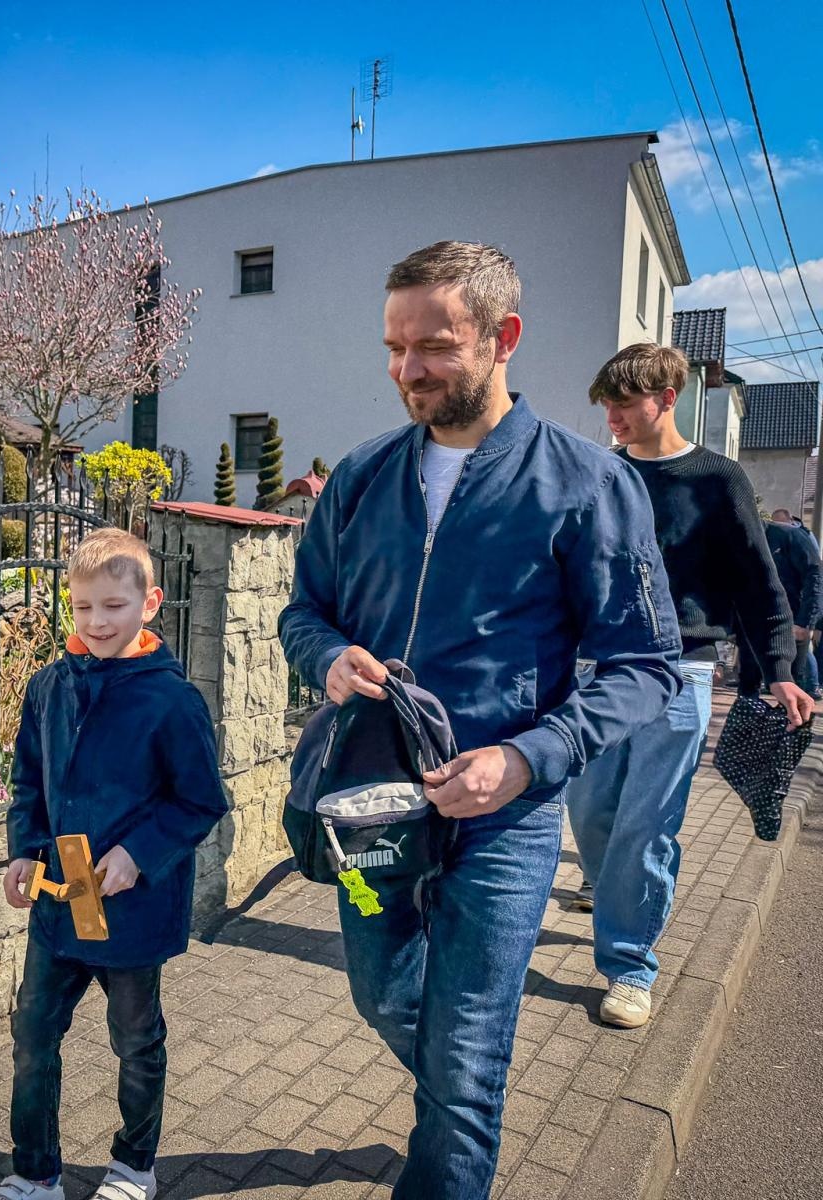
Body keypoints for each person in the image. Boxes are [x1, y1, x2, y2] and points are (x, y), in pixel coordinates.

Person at [279, 241, 681, 1200]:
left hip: (504, 822)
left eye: (434, 346)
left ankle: (457, 1131)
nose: (407, 369)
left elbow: (644, 666)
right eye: (394, 346)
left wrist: (527, 758)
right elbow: (305, 614)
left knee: (463, 1059)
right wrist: (328, 658)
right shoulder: (362, 477)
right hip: (372, 816)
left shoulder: (589, 483)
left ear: (503, 339)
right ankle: (464, 1107)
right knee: (381, 993)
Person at [571, 344, 811, 1029]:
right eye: (606, 405)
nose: (612, 417)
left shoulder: (716, 479)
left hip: (681, 670)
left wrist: (781, 674)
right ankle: (601, 880)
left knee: (648, 825)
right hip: (596, 670)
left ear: (667, 397)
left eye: (625, 404)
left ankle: (629, 965)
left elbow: (758, 584)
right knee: (589, 811)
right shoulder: (599, 475)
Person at [0, 528, 230, 1200]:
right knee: (33, 1036)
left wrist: (138, 854)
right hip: (55, 907)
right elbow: (28, 781)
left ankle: (133, 1166)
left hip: (128, 910)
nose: (97, 622)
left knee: (135, 1041)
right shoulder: (48, 687)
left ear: (150, 602)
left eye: (114, 606)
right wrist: (22, 848)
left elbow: (199, 800)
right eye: (84, 606)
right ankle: (35, 1172)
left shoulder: (172, 700)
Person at [753, 508, 823, 697]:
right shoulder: (741, 540)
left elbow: (815, 574)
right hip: (759, 620)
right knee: (755, 684)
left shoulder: (790, 536)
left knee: (793, 683)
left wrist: (806, 621)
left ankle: (805, 697)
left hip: (792, 618)